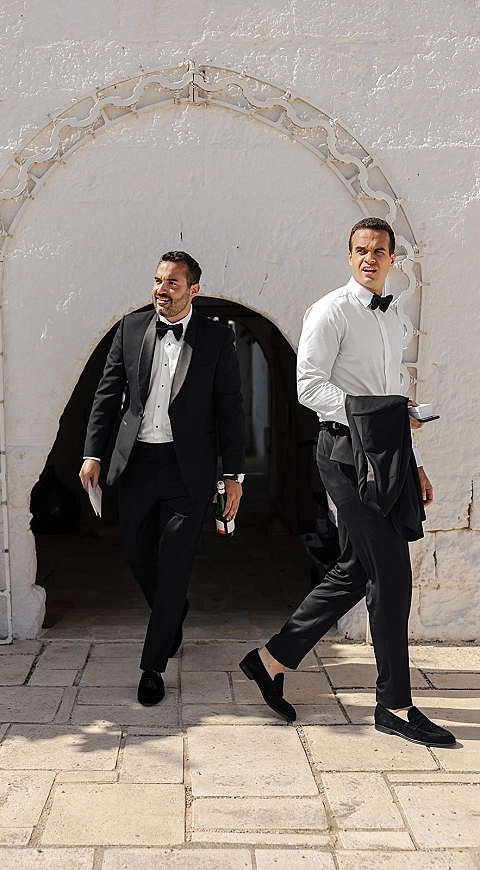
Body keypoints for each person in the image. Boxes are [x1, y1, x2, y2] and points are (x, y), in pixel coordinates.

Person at [239, 218, 456, 747]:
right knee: (392, 575)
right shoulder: (330, 310)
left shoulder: (393, 317)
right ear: (350, 254)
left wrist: (415, 459)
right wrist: (373, 413)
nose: (369, 258)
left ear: (392, 259)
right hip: (343, 454)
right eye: (361, 250)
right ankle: (394, 706)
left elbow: (395, 395)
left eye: (379, 251)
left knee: (359, 569)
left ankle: (271, 660)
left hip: (388, 455)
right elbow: (308, 386)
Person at [80, 251, 246, 706]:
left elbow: (230, 409)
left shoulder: (216, 339)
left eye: (172, 282)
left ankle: (152, 666)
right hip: (134, 463)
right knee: (136, 554)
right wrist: (93, 453)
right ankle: (173, 614)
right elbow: (107, 394)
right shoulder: (130, 329)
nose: (161, 289)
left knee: (174, 563)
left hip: (187, 470)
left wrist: (233, 475)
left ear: (193, 290)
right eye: (157, 280)